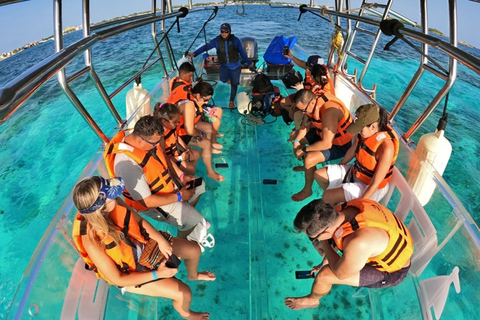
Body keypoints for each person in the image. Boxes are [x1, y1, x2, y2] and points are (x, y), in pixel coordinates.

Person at [72, 176, 215, 320]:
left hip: (144, 245)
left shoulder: (114, 203)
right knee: (184, 293)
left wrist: (160, 240)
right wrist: (158, 274)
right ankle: (187, 314)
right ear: (100, 208)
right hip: (130, 272)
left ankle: (193, 275)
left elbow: (139, 221)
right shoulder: (91, 240)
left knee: (194, 250)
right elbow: (118, 279)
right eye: (111, 194)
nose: (116, 194)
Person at [284, 198, 413, 310]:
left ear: (324, 234)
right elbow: (337, 235)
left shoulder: (358, 242)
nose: (314, 241)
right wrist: (324, 258)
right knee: (329, 256)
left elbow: (340, 274)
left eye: (314, 238)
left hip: (392, 272)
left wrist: (324, 244)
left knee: (324, 276)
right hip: (391, 243)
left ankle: (313, 300)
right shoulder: (347, 207)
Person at [103, 115, 212, 247]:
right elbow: (146, 201)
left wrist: (182, 176)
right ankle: (183, 245)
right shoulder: (126, 164)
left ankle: (183, 221)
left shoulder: (148, 141)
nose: (157, 146)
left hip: (169, 188)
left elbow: (163, 158)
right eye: (155, 143)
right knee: (197, 222)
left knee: (200, 184)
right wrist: (179, 196)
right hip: (155, 205)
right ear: (140, 141)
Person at [314, 104, 399, 205]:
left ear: (373, 127)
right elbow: (354, 149)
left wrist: (358, 204)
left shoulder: (386, 148)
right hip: (356, 172)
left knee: (327, 196)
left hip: (369, 186)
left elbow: (375, 184)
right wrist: (340, 166)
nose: (358, 132)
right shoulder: (366, 133)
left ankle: (339, 205)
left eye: (360, 129)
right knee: (318, 174)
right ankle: (338, 202)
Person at [290, 89, 354, 202]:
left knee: (309, 158)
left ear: (312, 102)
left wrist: (304, 150)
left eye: (304, 110)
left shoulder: (329, 111)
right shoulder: (311, 105)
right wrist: (296, 142)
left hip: (340, 145)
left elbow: (326, 143)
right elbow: (305, 126)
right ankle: (307, 169)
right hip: (323, 136)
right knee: (294, 136)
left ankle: (307, 190)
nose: (303, 113)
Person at [187, 23, 253, 109]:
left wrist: (249, 62)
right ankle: (229, 79)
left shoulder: (236, 40)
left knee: (234, 84)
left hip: (235, 66)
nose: (224, 33)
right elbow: (205, 47)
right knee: (223, 79)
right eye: (222, 31)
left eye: (226, 31)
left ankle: (231, 100)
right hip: (224, 66)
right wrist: (195, 53)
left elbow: (242, 53)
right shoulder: (216, 40)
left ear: (229, 31)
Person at [175, 81, 225, 181]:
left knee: (208, 128)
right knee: (205, 143)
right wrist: (199, 135)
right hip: (177, 134)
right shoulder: (189, 105)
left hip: (182, 125)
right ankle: (210, 172)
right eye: (205, 100)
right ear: (198, 95)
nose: (206, 103)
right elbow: (189, 131)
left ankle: (208, 151)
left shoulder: (186, 91)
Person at [167, 62, 225, 148]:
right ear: (182, 74)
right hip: (193, 111)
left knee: (219, 110)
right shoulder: (182, 90)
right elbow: (189, 103)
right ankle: (212, 140)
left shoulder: (180, 82)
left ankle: (214, 133)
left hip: (197, 104)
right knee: (216, 120)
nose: (191, 79)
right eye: (190, 76)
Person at [153, 102, 200, 176]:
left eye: (178, 121)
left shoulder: (171, 126)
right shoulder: (161, 136)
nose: (177, 124)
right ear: (164, 121)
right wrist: (180, 158)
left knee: (196, 154)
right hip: (171, 158)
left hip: (176, 152)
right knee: (191, 168)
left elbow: (177, 137)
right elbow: (163, 157)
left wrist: (186, 149)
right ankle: (181, 176)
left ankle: (184, 173)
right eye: (175, 122)